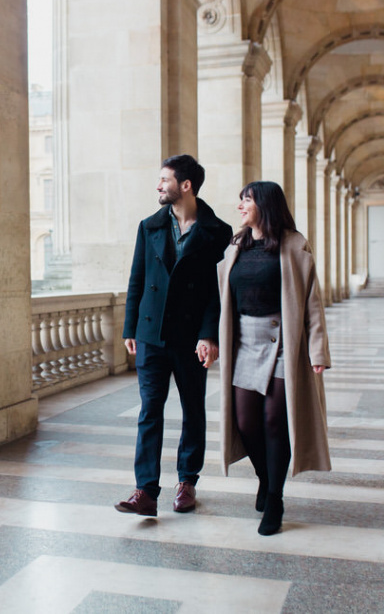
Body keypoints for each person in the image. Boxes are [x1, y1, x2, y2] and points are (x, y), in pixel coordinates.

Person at [116, 154, 233, 517]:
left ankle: (187, 482)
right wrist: (130, 327)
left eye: (164, 179)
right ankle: (145, 491)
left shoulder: (218, 232)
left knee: (192, 410)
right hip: (151, 334)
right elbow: (137, 278)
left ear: (185, 185)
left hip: (190, 338)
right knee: (149, 411)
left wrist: (209, 334)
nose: (158, 185)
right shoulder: (149, 226)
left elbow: (218, 289)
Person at [217, 181, 331, 535]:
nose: (241, 206)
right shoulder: (236, 245)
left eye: (246, 200)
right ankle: (265, 479)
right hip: (245, 343)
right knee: (246, 421)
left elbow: (312, 300)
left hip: (283, 341)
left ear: (264, 204)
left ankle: (276, 499)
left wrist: (317, 351)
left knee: (273, 420)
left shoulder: (293, 244)